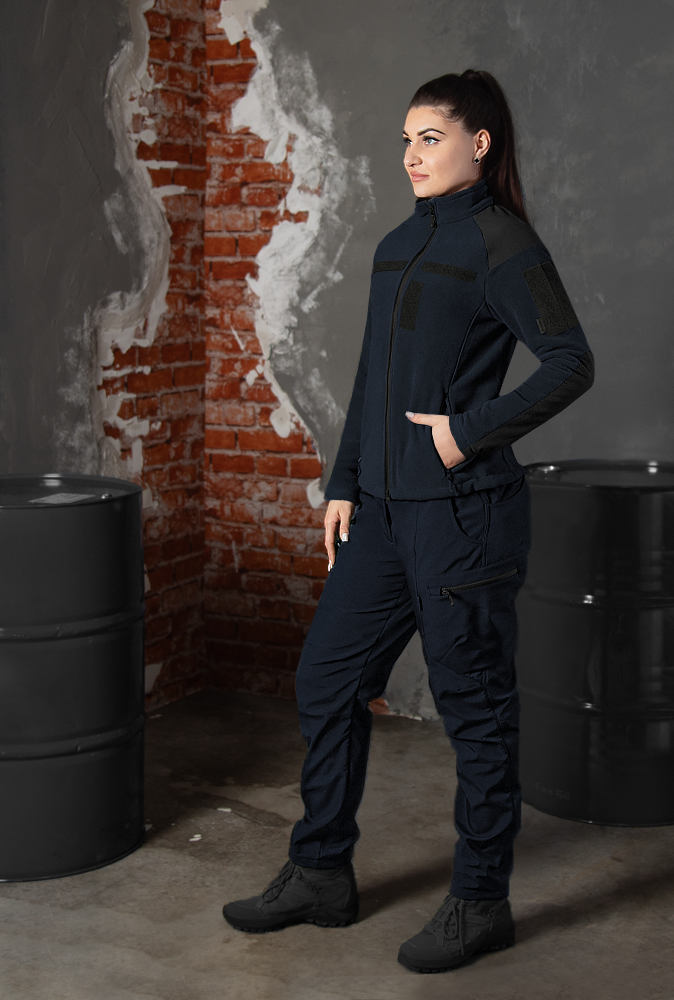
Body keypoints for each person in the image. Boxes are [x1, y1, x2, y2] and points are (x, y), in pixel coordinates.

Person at [222, 69, 594, 974]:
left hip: (464, 521)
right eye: (405, 140)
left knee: (476, 714)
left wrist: (468, 432)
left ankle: (481, 903)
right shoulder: (398, 245)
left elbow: (569, 361)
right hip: (383, 519)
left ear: (479, 144)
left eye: (430, 138)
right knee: (326, 680)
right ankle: (320, 873)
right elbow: (371, 379)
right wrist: (343, 481)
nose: (411, 155)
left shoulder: (504, 244)